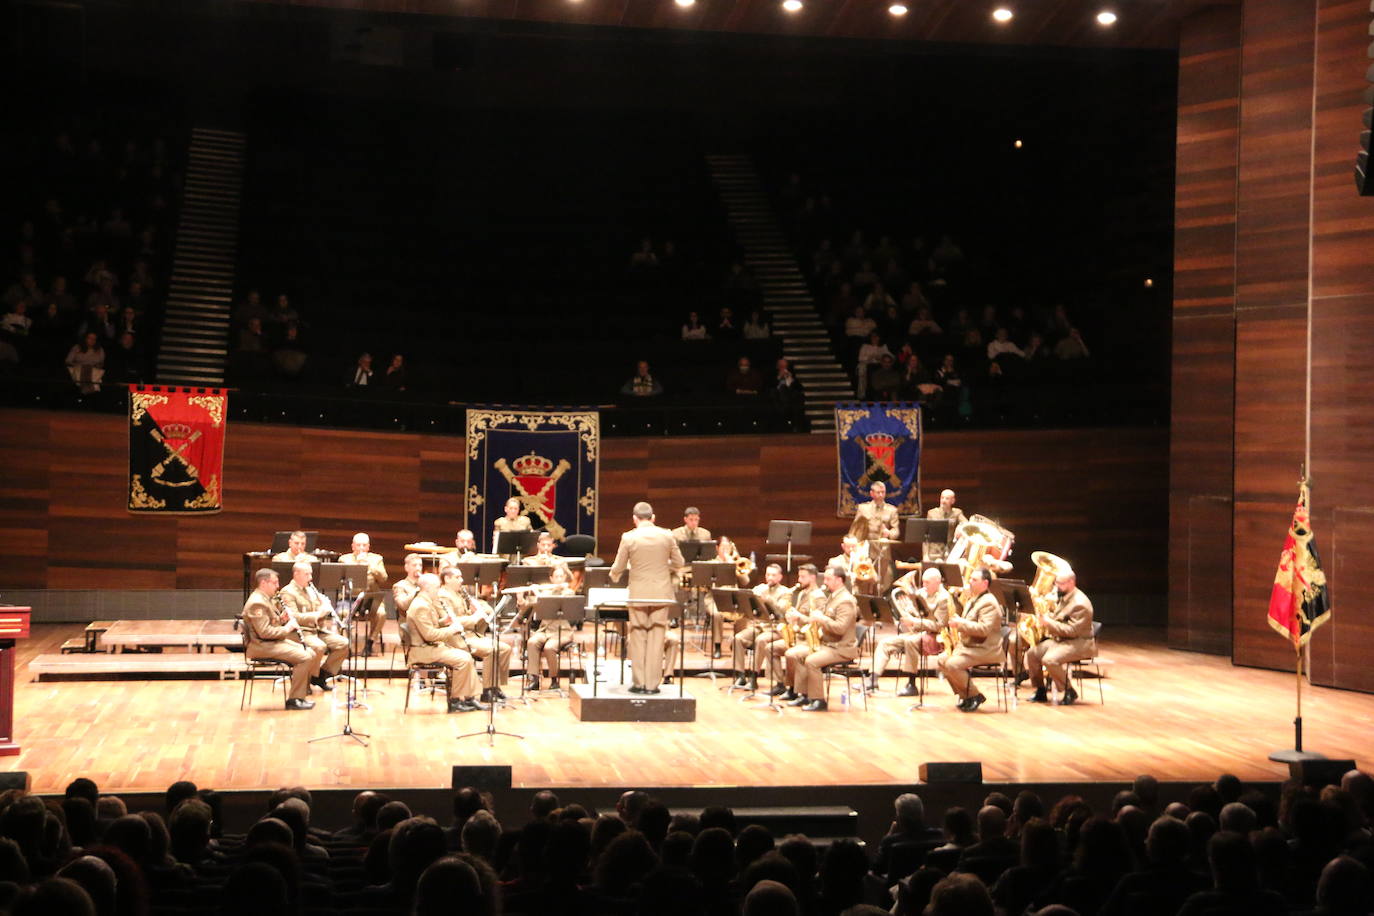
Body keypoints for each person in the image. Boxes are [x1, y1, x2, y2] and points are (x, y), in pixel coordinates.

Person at [608, 502, 685, 694]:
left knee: (638, 636)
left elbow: (618, 566)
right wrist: (662, 565)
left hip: (638, 594)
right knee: (657, 637)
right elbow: (679, 563)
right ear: (653, 517)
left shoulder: (629, 537)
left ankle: (639, 683)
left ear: (634, 519)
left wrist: (614, 576)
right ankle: (652, 685)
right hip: (661, 594)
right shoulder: (667, 535)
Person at [780, 565, 858, 711]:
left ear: (839, 580)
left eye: (828, 579)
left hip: (841, 648)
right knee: (797, 654)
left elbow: (840, 628)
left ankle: (818, 700)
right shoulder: (833, 596)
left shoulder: (846, 600)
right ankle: (803, 695)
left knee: (811, 661)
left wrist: (821, 619)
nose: (825, 582)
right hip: (828, 644)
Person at [406, 573, 483, 713]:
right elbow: (429, 635)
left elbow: (430, 626)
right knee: (463, 659)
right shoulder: (420, 606)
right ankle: (455, 700)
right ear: (427, 588)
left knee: (465, 656)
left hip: (430, 647)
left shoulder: (425, 602)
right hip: (422, 651)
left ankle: (468, 698)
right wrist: (452, 629)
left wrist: (444, 622)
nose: (438, 590)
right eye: (436, 587)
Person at [241, 569, 317, 710]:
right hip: (261, 646)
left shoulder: (264, 598)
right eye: (274, 583)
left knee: (311, 652)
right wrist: (287, 629)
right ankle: (294, 700)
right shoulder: (256, 603)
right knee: (305, 657)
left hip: (270, 643)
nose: (278, 586)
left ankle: (300, 695)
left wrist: (281, 619)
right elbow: (264, 633)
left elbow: (269, 624)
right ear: (263, 583)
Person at [873, 566, 949, 696]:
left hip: (936, 637)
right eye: (923, 582)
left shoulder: (944, 598)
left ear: (937, 581)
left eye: (927, 583)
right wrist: (909, 614)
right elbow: (916, 617)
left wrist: (914, 621)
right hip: (917, 632)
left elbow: (939, 625)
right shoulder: (921, 593)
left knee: (910, 641)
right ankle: (872, 680)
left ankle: (912, 684)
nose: (924, 585)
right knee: (885, 643)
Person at [439, 569, 512, 704]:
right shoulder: (443, 596)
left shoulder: (458, 594)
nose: (461, 580)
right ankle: (487, 690)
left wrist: (476, 610)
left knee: (505, 648)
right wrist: (473, 618)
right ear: (447, 579)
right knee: (492, 650)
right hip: (456, 638)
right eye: (457, 577)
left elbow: (465, 613)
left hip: (471, 634)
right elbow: (452, 620)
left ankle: (495, 686)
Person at [1025, 566, 1096, 705]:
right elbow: (1058, 618)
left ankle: (1069, 690)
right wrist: (1041, 617)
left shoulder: (1080, 604)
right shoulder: (1065, 597)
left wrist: (1048, 623)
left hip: (1079, 643)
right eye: (1056, 583)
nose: (1057, 586)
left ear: (1071, 582)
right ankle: (1040, 690)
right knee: (1032, 654)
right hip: (1062, 640)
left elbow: (1072, 631)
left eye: (1061, 583)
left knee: (1050, 660)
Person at [936, 568, 1004, 712]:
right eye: (970, 579)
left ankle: (975, 695)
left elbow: (983, 629)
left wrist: (960, 623)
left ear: (985, 583)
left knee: (953, 664)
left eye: (974, 580)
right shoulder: (973, 598)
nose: (970, 582)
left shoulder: (989, 602)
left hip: (985, 647)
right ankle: (965, 695)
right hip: (970, 645)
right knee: (942, 660)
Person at [276, 562, 349, 692]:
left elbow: (319, 614)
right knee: (318, 646)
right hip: (297, 632)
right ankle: (305, 682)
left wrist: (324, 607)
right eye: (307, 574)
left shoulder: (309, 590)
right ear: (296, 574)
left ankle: (320, 676)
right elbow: (294, 617)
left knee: (343, 643)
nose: (310, 577)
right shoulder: (288, 592)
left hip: (314, 630)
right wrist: (318, 613)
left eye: (311, 574)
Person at [766, 564, 825, 696]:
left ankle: (795, 690)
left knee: (791, 654)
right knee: (771, 648)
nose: (799, 580)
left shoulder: (818, 596)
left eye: (803, 577)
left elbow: (819, 622)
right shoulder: (800, 593)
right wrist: (790, 617)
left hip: (809, 640)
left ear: (813, 578)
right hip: (797, 636)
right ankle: (780, 684)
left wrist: (799, 617)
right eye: (799, 576)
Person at [731, 563, 791, 689]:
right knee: (738, 638)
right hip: (758, 626)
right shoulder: (759, 588)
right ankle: (740, 675)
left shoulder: (786, 592)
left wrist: (768, 599)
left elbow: (781, 611)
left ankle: (754, 676)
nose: (770, 578)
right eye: (768, 574)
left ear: (780, 577)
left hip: (775, 629)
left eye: (773, 575)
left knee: (761, 640)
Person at [522, 563, 578, 691]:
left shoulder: (568, 592)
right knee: (532, 642)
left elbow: (554, 600)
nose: (559, 579)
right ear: (551, 579)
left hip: (562, 631)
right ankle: (534, 679)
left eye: (561, 576)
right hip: (545, 630)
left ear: (564, 578)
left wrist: (540, 594)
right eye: (556, 577)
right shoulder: (545, 591)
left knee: (549, 647)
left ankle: (554, 680)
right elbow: (529, 605)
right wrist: (522, 598)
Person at [339, 533, 388, 653]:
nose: (361, 548)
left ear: (368, 547)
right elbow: (340, 581)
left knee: (381, 613)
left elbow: (384, 579)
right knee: (342, 613)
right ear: (352, 546)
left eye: (364, 545)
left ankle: (370, 642)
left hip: (371, 597)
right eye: (358, 545)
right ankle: (348, 645)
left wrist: (370, 565)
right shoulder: (344, 559)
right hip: (350, 598)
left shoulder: (376, 559)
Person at [849, 481, 901, 589]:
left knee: (881, 581)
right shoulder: (863, 508)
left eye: (883, 492)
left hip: (882, 550)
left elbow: (896, 531)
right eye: (878, 492)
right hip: (866, 549)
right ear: (872, 493)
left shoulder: (892, 510)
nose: (881, 495)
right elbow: (855, 529)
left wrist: (889, 533)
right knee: (863, 579)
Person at [925, 489, 968, 560]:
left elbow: (967, 525)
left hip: (950, 552)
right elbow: (926, 535)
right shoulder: (932, 513)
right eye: (942, 498)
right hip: (934, 552)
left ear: (953, 501)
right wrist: (925, 555)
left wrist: (960, 527)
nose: (943, 501)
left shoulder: (957, 513)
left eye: (947, 498)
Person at [391, 553, 424, 624]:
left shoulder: (426, 584)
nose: (418, 568)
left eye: (420, 565)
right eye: (414, 565)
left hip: (425, 622)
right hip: (409, 624)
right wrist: (418, 589)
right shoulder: (399, 586)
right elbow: (403, 605)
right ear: (406, 568)